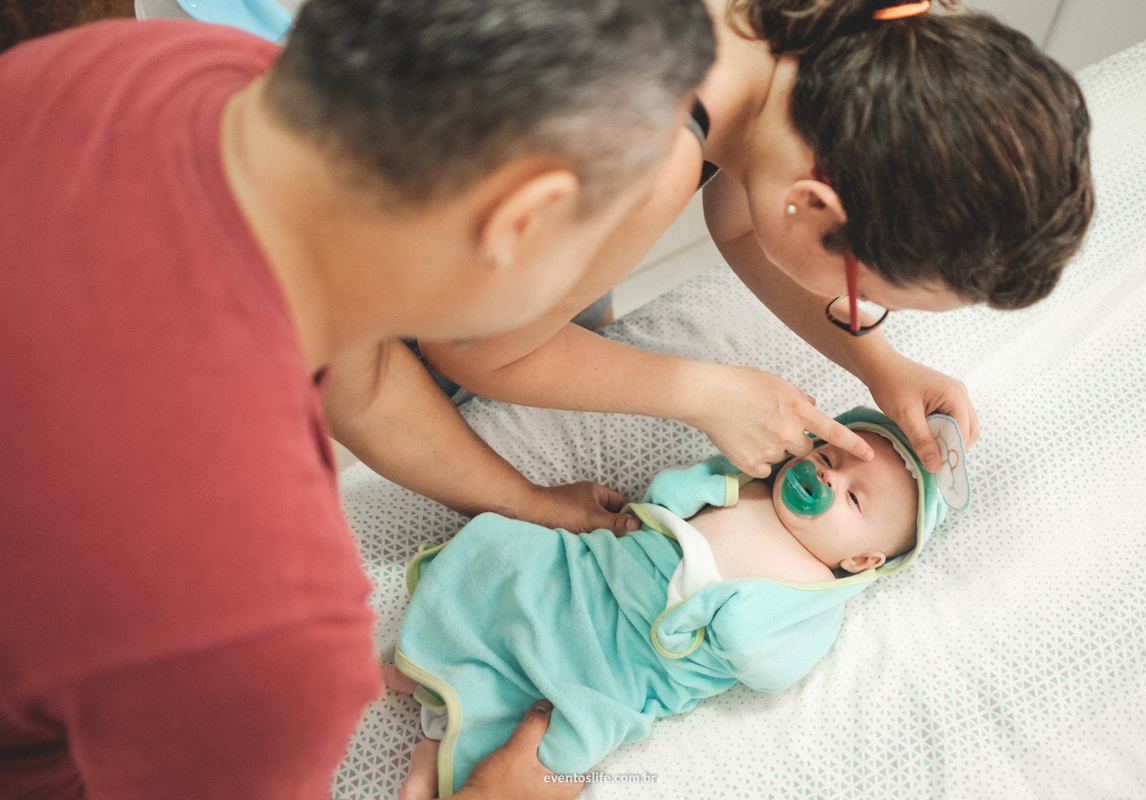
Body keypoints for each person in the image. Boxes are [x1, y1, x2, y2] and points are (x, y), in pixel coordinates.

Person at [0, 0, 716, 797]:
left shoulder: (156, 71)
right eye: (598, 242)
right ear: (523, 219)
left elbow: (363, 381)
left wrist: (525, 501)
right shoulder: (262, 623)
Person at [326, 0, 1093, 536]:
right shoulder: (639, 153)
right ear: (815, 204)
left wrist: (877, 363)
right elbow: (473, 350)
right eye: (863, 299)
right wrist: (704, 392)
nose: (853, 313)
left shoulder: (829, 46)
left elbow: (744, 219)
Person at [384, 407, 970, 798]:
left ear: (863, 561)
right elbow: (667, 496)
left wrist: (737, 620)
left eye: (855, 500)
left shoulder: (813, 598)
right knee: (510, 555)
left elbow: (770, 669)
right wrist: (707, 485)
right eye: (832, 458)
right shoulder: (746, 484)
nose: (827, 478)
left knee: (567, 743)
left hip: (630, 662)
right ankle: (441, 651)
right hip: (595, 578)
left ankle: (442, 753)